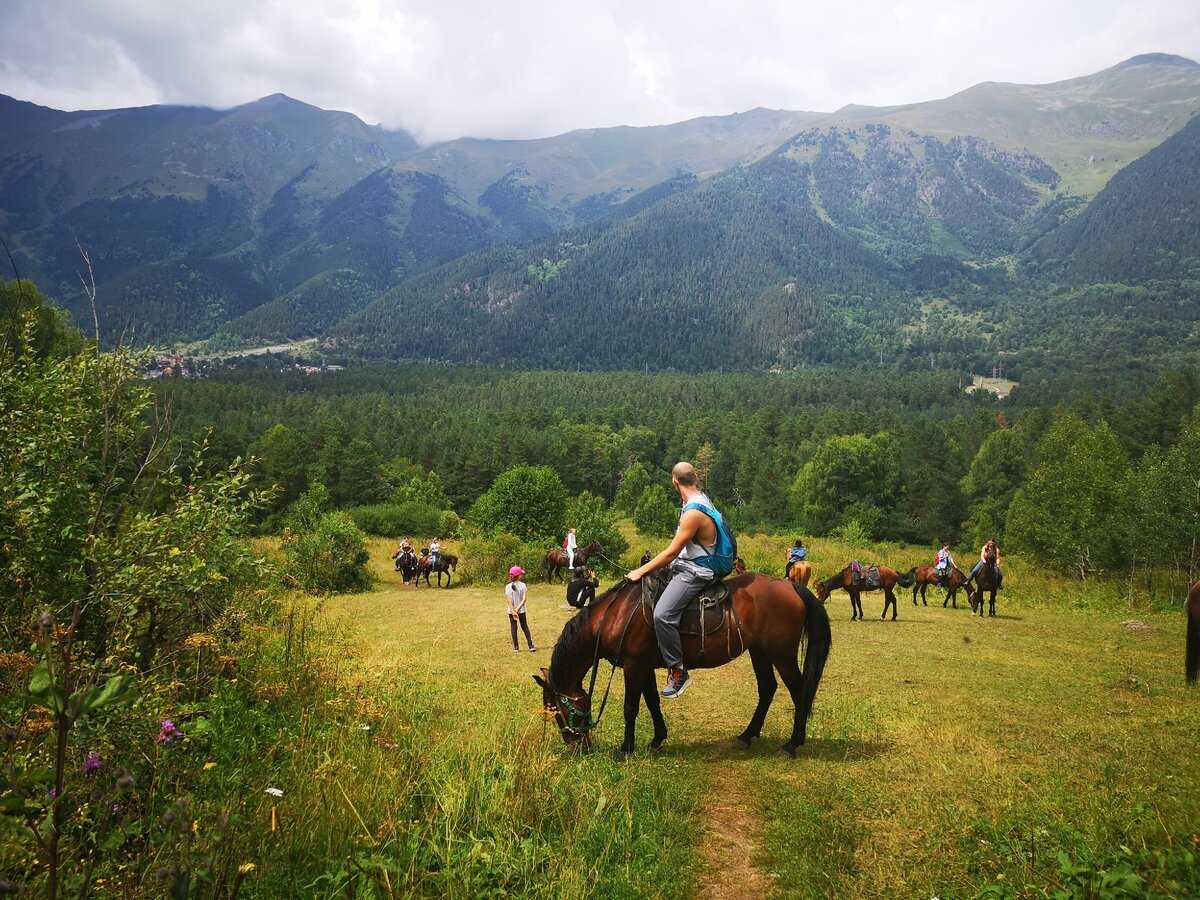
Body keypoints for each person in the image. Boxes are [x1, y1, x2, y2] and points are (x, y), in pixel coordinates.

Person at [626, 461, 735, 700]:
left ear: (675, 482)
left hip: (698, 570)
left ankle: (678, 671)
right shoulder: (700, 498)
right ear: (694, 479)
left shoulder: (694, 511)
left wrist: (640, 570)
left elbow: (672, 553)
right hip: (691, 561)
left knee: (662, 615)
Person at [506, 566, 536, 652]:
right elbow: (524, 599)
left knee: (513, 627)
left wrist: (513, 611)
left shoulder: (507, 587)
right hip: (521, 610)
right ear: (518, 576)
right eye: (521, 574)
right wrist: (518, 609)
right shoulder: (523, 585)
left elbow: (509, 601)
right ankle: (530, 646)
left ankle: (516, 648)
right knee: (524, 626)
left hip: (511, 611)